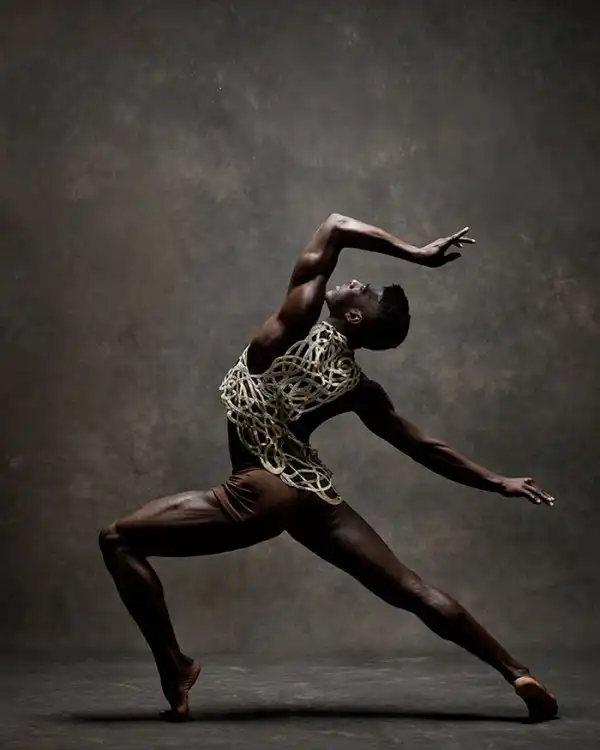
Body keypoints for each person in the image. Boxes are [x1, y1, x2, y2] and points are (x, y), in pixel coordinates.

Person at [99, 213, 558, 722]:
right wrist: (498, 482)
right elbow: (424, 447)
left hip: (260, 490)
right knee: (410, 589)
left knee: (117, 540)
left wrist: (417, 254)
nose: (357, 282)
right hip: (309, 495)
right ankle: (517, 673)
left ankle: (175, 667)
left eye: (366, 292)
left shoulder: (292, 324)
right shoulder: (359, 389)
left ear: (355, 317)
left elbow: (335, 226)